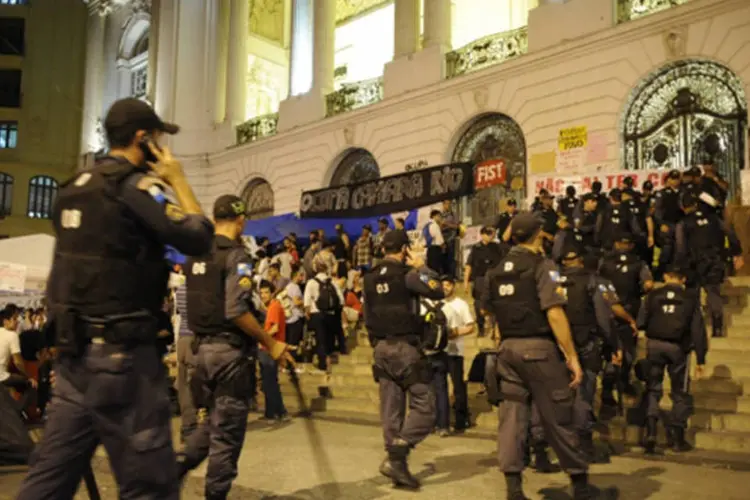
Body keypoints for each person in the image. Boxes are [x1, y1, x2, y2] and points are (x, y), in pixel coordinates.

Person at [17, 98, 214, 500]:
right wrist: (177, 179)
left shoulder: (72, 190)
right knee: (150, 488)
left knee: (46, 484)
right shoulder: (138, 188)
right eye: (158, 138)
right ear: (144, 140)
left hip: (73, 364)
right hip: (123, 363)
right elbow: (199, 237)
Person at [178, 195, 293, 499]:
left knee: (215, 422)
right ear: (241, 220)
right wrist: (270, 342)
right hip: (228, 355)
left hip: (200, 353)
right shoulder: (237, 256)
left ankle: (178, 463)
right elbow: (235, 309)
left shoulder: (195, 255)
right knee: (227, 439)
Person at [481, 213, 597, 500]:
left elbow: (487, 309)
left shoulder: (495, 270)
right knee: (560, 414)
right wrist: (571, 356)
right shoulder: (542, 265)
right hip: (539, 349)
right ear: (536, 234)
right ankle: (580, 486)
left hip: (507, 350)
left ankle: (514, 489)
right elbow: (555, 313)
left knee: (512, 418)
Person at [364, 229, 445, 490]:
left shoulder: (370, 278)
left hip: (381, 349)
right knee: (426, 405)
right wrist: (422, 266)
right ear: (404, 250)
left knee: (391, 409)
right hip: (405, 348)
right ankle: (398, 453)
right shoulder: (408, 275)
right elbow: (438, 290)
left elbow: (367, 315)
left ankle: (396, 466)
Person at [638, 265, 707, 453]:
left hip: (654, 345)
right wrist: (701, 357)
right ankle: (677, 438)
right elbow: (697, 329)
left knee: (653, 388)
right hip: (678, 348)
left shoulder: (652, 296)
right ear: (683, 279)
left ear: (666, 276)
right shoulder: (690, 298)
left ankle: (651, 431)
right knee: (680, 392)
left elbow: (641, 321)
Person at [674, 191, 741, 338]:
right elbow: (730, 233)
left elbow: (680, 247)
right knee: (713, 293)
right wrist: (736, 252)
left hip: (693, 262)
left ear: (682, 207)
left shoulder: (683, 223)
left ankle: (694, 328)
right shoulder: (714, 219)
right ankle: (717, 328)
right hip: (714, 260)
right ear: (696, 204)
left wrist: (679, 267)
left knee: (693, 295)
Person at [463, 226, 508, 336]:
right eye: (488, 234)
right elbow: (469, 265)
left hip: (494, 278)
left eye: (492, 234)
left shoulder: (497, 247)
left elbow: (502, 263)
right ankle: (481, 327)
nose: (491, 236)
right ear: (482, 234)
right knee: (479, 303)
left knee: (495, 302)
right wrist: (465, 282)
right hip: (480, 278)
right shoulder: (476, 248)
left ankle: (495, 328)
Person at [258, 281, 290, 422]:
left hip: (269, 348)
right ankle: (276, 411)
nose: (263, 295)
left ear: (272, 293)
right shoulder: (272, 306)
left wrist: (262, 339)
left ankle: (275, 412)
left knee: (269, 382)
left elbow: (275, 328)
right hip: (270, 347)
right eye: (261, 293)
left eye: (266, 292)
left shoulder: (274, 307)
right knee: (270, 381)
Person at [0, 306, 38, 418]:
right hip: (2, 376)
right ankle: (16, 412)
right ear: (6, 321)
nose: (17, 322)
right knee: (31, 385)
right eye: (15, 319)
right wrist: (28, 376)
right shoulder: (12, 335)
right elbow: (18, 362)